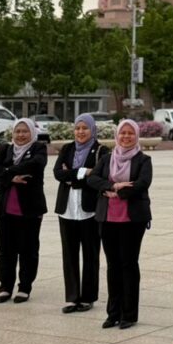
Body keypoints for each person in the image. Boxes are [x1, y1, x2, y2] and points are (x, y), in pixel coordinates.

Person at [87, 119, 152, 330]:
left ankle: (129, 314)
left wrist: (118, 193)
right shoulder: (106, 158)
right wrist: (114, 185)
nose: (126, 137)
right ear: (117, 135)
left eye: (130, 133)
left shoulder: (143, 160)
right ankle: (113, 313)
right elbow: (92, 179)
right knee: (113, 264)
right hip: (107, 218)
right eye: (122, 133)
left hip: (132, 219)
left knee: (129, 264)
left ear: (136, 136)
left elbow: (142, 184)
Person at [0, 118, 48, 303]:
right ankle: (5, 287)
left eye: (25, 131)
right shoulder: (5, 148)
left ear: (32, 132)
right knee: (6, 250)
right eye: (17, 131)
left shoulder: (39, 148)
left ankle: (24, 287)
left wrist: (5, 170)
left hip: (30, 208)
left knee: (28, 249)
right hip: (4, 208)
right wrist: (11, 177)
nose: (20, 135)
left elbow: (36, 164)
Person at [54, 114, 108, 314]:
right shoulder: (67, 148)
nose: (80, 132)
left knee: (90, 254)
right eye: (77, 128)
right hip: (67, 208)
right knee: (69, 254)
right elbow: (57, 173)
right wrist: (84, 172)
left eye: (85, 128)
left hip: (89, 209)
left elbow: (98, 176)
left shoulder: (102, 150)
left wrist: (72, 175)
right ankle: (72, 297)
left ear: (92, 130)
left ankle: (88, 297)